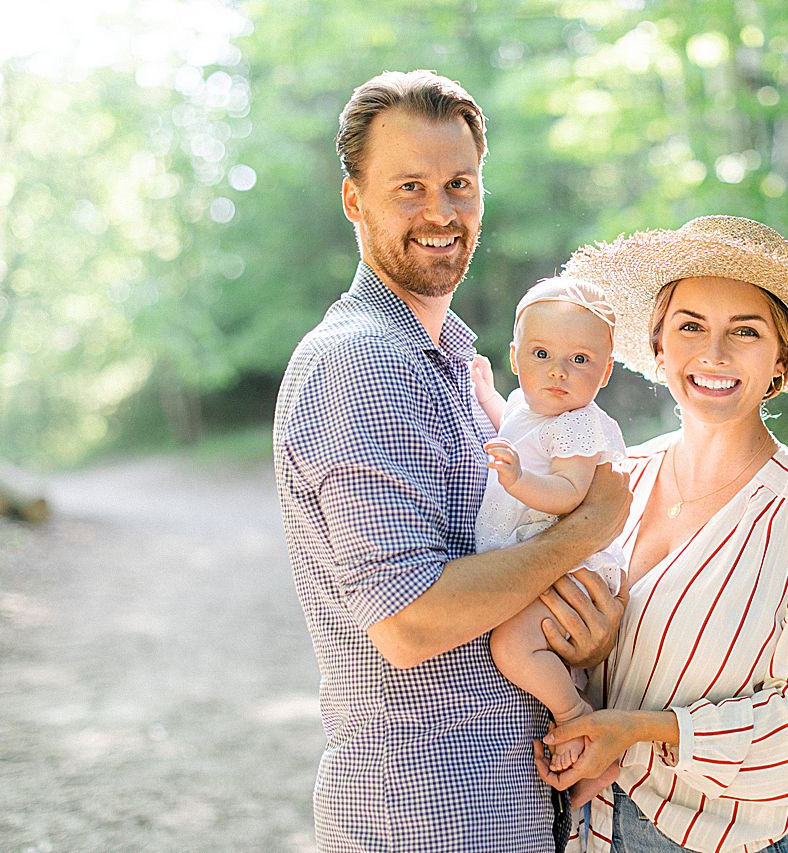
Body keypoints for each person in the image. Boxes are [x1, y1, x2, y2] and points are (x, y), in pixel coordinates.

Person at [272, 70, 631, 852]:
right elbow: (409, 620)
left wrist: (583, 634)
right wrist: (588, 528)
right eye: (409, 187)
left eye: (459, 184)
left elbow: (505, 572)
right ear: (353, 200)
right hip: (428, 813)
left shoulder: (462, 368)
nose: (440, 212)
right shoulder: (362, 363)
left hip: (510, 798)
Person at [537, 215, 788, 853]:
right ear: (660, 346)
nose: (714, 354)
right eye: (691, 326)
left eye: (745, 332)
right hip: (588, 830)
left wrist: (643, 730)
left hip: (719, 839)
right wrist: (586, 661)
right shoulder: (615, 478)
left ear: (781, 360)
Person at [472, 276, 629, 773]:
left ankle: (571, 711)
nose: (557, 371)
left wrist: (516, 478)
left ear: (603, 373)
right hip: (535, 553)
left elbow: (568, 492)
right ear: (515, 358)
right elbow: (512, 425)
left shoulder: (579, 424)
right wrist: (485, 393)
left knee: (511, 645)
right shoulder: (527, 403)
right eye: (541, 355)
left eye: (579, 360)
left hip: (569, 562)